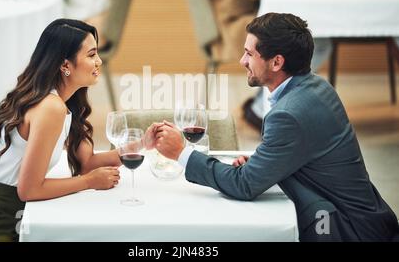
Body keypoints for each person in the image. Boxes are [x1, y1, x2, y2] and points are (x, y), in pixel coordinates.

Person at [152, 13, 399, 241]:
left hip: (350, 232)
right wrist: (264, 164)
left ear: (277, 62)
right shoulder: (317, 87)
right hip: (371, 219)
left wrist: (181, 153)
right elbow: (304, 155)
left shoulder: (288, 115)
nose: (242, 61)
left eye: (249, 54)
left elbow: (244, 185)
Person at [0, 19, 155, 242]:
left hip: (10, 211)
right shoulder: (50, 107)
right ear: (65, 66)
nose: (99, 61)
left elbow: (87, 162)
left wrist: (142, 145)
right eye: (91, 55)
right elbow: (30, 190)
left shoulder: (63, 101)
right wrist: (89, 182)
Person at [194, 0, 332, 130]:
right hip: (234, 28)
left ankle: (262, 106)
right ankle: (262, 111)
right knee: (316, 40)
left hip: (237, 18)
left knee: (301, 30)